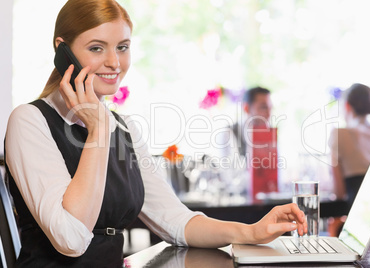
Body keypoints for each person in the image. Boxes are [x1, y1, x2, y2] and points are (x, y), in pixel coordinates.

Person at [4, 0, 306, 266]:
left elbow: (175, 220)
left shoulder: (124, 128)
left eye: (122, 47)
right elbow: (71, 241)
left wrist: (250, 231)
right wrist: (98, 130)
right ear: (63, 51)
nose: (114, 62)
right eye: (97, 48)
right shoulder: (30, 121)